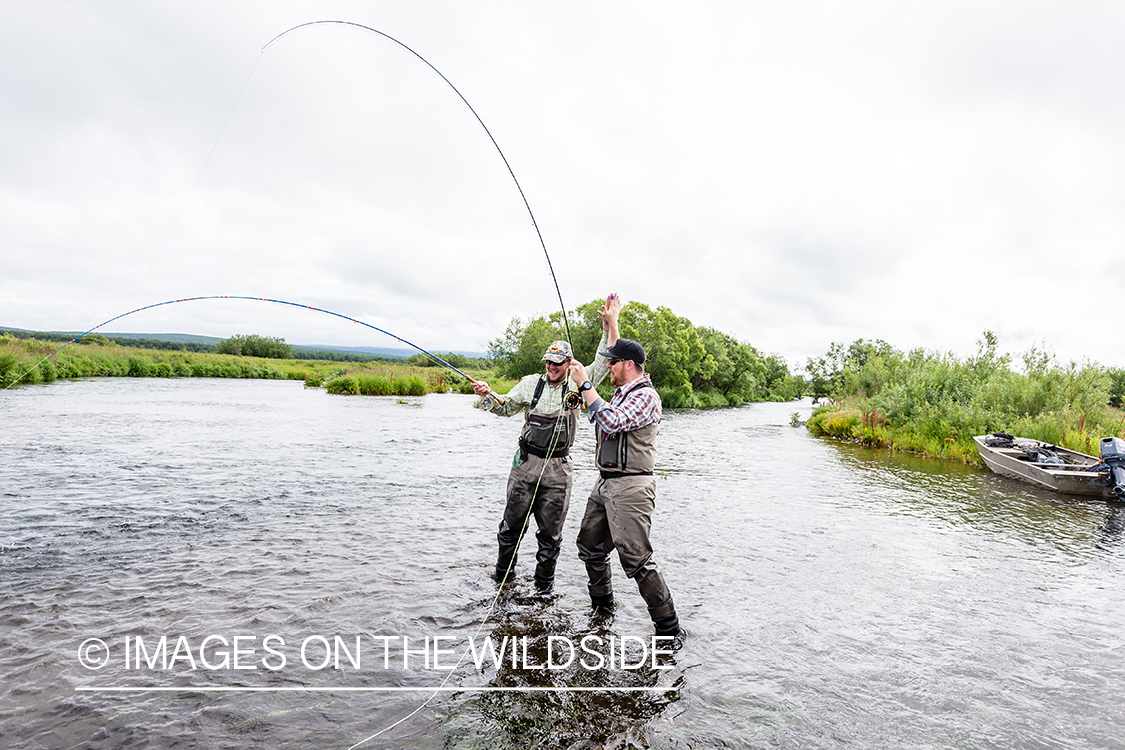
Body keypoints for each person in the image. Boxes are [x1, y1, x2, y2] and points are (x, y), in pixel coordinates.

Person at [472, 294, 620, 590]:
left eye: (557, 362)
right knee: (511, 528)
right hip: (524, 465)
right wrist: (486, 395)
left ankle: (543, 589)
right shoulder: (529, 383)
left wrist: (608, 326)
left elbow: (604, 361)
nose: (552, 367)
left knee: (551, 535)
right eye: (549, 362)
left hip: (558, 470)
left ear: (568, 363)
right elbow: (504, 407)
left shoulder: (580, 380)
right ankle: (502, 578)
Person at [567, 336, 680, 640]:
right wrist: (611, 325)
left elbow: (613, 421)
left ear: (629, 365)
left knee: (636, 559)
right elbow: (600, 413)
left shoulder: (646, 396)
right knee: (589, 547)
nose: (609, 366)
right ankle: (603, 610)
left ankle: (669, 629)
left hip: (631, 487)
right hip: (605, 483)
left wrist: (586, 384)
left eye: (613, 362)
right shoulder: (622, 393)